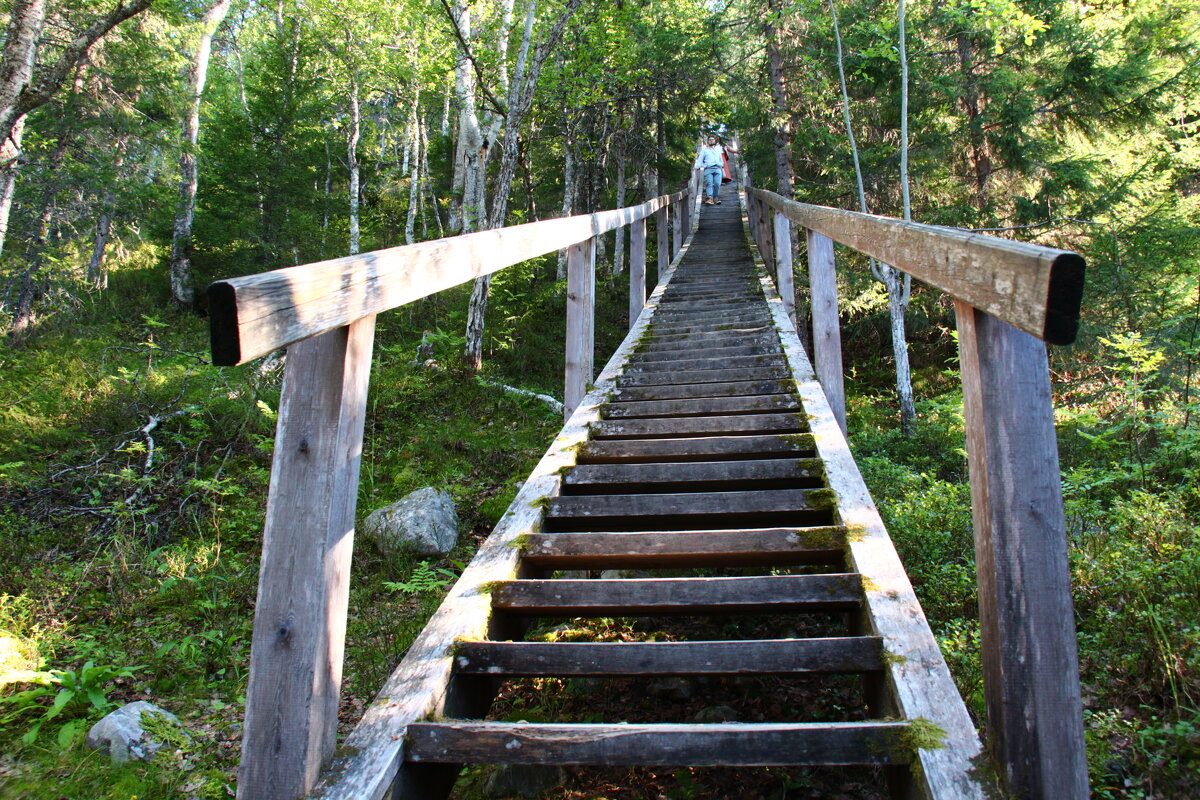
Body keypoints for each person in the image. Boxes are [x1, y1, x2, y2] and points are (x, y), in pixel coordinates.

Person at [694, 135, 738, 205]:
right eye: (710, 140)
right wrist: (697, 167)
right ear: (708, 141)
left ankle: (715, 198)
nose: (711, 141)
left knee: (717, 184)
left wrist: (721, 164)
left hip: (718, 168)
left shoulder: (718, 149)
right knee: (709, 183)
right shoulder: (704, 150)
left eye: (712, 139)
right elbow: (700, 160)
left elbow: (721, 158)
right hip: (708, 169)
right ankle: (709, 198)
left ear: (715, 141)